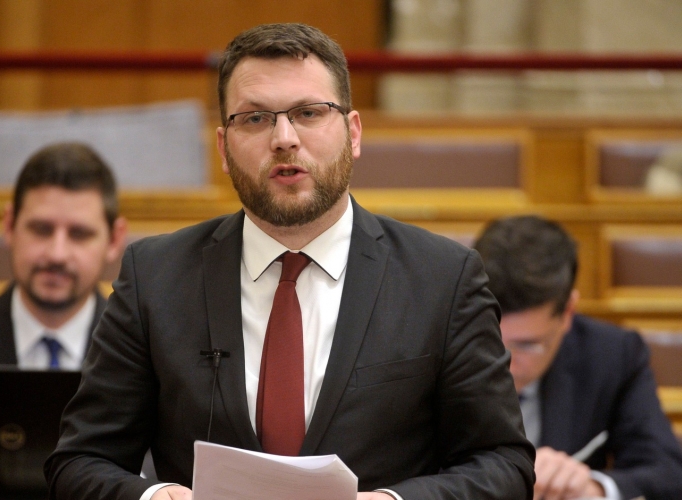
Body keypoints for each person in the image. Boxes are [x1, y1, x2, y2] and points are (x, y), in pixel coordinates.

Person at [45, 23, 534, 500]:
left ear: (353, 133)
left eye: (308, 112)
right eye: (255, 118)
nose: (284, 138)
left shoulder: (443, 279)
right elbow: (80, 462)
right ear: (223, 147)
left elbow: (503, 465)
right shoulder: (155, 277)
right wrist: (156, 497)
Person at [474, 215, 682, 500]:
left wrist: (591, 487)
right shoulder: (429, 347)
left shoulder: (612, 355)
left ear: (568, 312)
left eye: (527, 345)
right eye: (489, 341)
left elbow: (668, 472)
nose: (504, 361)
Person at [0, 142, 127, 369]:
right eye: (41, 229)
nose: (57, 255)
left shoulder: (148, 358)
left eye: (79, 234)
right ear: (9, 225)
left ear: (114, 240)